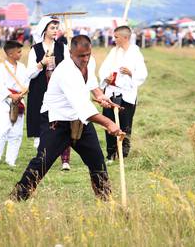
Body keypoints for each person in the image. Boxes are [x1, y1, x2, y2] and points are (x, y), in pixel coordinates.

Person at [9, 35, 122, 202]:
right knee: (42, 161)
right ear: (70, 53)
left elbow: (91, 83)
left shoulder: (88, 63)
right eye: (81, 56)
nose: (85, 59)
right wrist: (109, 123)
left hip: (79, 121)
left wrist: (100, 95)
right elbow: (83, 107)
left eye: (88, 55)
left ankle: (106, 200)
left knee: (97, 160)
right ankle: (15, 199)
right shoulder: (65, 72)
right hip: (57, 121)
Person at [26, 16, 72, 171]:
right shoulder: (35, 49)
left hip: (58, 90)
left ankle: (65, 159)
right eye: (52, 28)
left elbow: (68, 69)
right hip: (39, 89)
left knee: (61, 120)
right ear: (44, 29)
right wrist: (41, 64)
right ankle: (42, 157)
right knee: (41, 122)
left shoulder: (62, 47)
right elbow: (30, 74)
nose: (55, 31)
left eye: (57, 28)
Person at [98, 25, 148, 163]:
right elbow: (103, 69)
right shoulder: (114, 52)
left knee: (125, 124)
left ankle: (123, 154)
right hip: (111, 92)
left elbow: (143, 73)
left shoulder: (136, 53)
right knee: (109, 123)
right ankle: (110, 154)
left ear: (125, 38)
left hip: (127, 94)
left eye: (116, 37)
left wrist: (131, 73)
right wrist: (105, 78)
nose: (114, 40)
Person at [0, 40, 28, 166]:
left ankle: (11, 160)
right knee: (2, 130)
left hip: (19, 102)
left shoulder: (22, 67)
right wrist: (11, 95)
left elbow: (26, 83)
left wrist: (23, 91)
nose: (21, 54)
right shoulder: (0, 68)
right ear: (10, 53)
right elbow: (0, 87)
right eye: (19, 52)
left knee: (17, 133)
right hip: (5, 102)